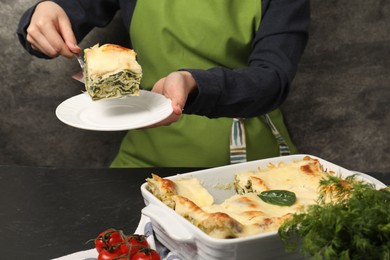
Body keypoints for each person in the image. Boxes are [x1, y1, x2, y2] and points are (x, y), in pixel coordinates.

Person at [17, 0, 310, 168]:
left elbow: (273, 79)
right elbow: (68, 11)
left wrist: (195, 82)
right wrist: (42, 16)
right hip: (145, 159)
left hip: (248, 163)